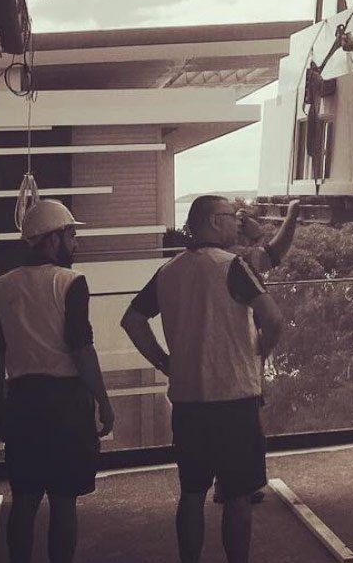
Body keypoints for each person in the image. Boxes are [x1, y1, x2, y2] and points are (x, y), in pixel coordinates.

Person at [120, 195, 287, 563]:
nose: (236, 224)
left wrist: (164, 362)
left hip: (188, 403)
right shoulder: (233, 266)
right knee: (238, 497)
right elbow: (273, 318)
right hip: (234, 401)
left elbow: (132, 320)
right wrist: (260, 350)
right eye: (230, 216)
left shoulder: (169, 271)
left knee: (192, 494)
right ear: (213, 221)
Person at [0, 200, 114, 563]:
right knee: (63, 501)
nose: (76, 243)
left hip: (22, 400)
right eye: (71, 235)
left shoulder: (1, 285)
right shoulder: (70, 282)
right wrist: (103, 402)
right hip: (66, 404)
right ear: (52, 239)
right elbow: (81, 349)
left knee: (24, 500)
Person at [211, 199, 301, 506]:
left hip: (218, 350)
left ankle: (226, 482)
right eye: (233, 220)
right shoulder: (237, 260)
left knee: (227, 418)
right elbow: (275, 252)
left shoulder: (209, 260)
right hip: (242, 348)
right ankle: (238, 485)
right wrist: (291, 216)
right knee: (245, 417)